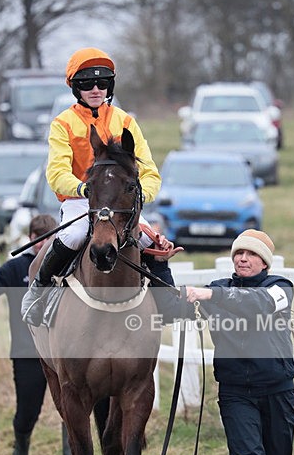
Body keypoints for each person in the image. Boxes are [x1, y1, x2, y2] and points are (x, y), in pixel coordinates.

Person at [22, 47, 178, 326]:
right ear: (75, 88)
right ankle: (38, 292)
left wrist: (139, 194)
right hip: (82, 200)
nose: (95, 89)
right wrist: (84, 190)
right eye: (86, 84)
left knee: (151, 241)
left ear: (110, 86)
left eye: (102, 83)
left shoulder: (126, 121)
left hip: (121, 202)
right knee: (73, 235)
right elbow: (56, 173)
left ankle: (169, 303)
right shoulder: (62, 124)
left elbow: (150, 173)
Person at [171, 229, 294, 455]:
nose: (242, 258)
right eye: (238, 254)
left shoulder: (280, 288)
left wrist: (210, 296)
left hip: (278, 389)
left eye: (250, 254)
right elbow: (174, 305)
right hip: (235, 391)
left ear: (264, 262)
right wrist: (164, 271)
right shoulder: (219, 289)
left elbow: (257, 304)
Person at [0, 214, 77, 455]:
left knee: (70, 405)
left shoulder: (68, 265)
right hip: (27, 351)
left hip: (63, 353)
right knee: (27, 411)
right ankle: (21, 443)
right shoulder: (16, 267)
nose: (43, 247)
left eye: (49, 240)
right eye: (38, 240)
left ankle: (71, 454)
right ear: (30, 239)